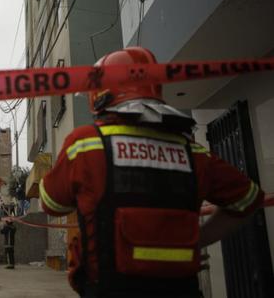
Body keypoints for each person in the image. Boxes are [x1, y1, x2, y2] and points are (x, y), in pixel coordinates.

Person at [39, 47, 264, 298]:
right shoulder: (193, 151)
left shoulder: (85, 144)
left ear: (100, 93)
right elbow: (249, 200)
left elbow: (51, 204)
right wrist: (198, 240)